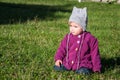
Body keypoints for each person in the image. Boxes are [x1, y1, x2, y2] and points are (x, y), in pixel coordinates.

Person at [53, 6, 101, 75]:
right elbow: (62, 49)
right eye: (70, 26)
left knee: (83, 72)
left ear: (83, 27)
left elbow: (95, 54)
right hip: (68, 63)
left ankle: (83, 70)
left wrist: (97, 68)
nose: (72, 29)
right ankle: (64, 67)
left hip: (83, 63)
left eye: (75, 26)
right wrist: (58, 59)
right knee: (57, 68)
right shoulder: (68, 37)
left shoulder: (90, 39)